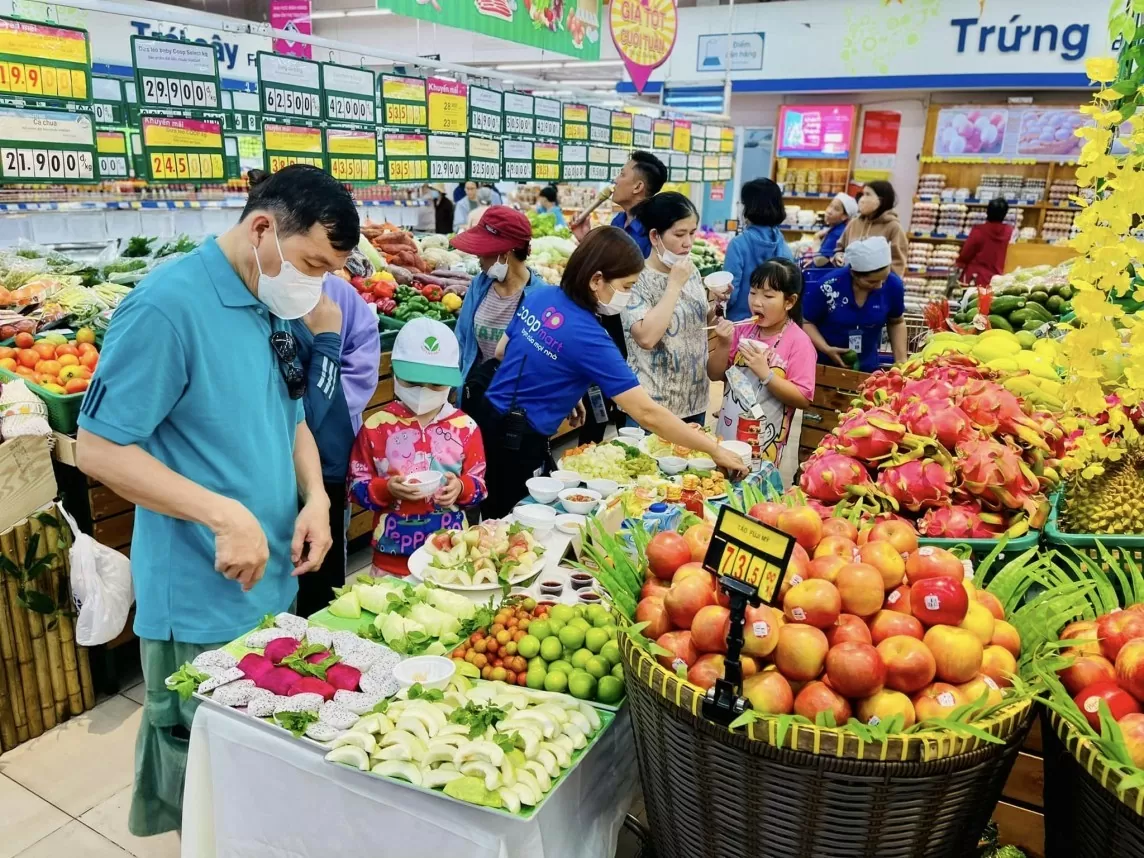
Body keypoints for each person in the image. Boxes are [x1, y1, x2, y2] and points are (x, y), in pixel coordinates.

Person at [74, 164, 357, 836]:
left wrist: (315, 497)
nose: (316, 285)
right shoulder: (166, 307)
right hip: (201, 591)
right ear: (263, 228)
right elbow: (99, 448)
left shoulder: (271, 299)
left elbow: (288, 419)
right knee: (199, 765)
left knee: (256, 761)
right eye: (313, 263)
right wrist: (223, 514)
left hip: (271, 578)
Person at [470, 226, 748, 518]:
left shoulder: (542, 295)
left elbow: (504, 351)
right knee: (513, 524)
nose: (627, 296)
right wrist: (712, 449)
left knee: (490, 511)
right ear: (596, 280)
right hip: (519, 441)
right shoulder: (590, 336)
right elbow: (647, 413)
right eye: (627, 287)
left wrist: (562, 383)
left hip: (487, 420)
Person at [348, 319, 486, 576]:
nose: (424, 391)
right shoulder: (377, 427)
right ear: (394, 372)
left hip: (450, 558)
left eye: (435, 384)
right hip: (391, 559)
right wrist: (386, 489)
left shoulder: (465, 428)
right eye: (413, 381)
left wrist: (461, 487)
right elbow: (356, 487)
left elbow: (479, 486)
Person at [291, 269, 381, 618]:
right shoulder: (261, 297)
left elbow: (362, 361)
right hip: (275, 462)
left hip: (330, 458)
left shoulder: (338, 296)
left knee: (321, 565)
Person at [573, 150, 666, 444]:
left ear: (638, 186)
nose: (615, 180)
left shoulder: (654, 231)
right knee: (594, 398)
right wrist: (586, 240)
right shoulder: (617, 220)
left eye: (622, 173)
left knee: (624, 404)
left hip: (635, 331)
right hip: (607, 321)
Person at [709, 259, 816, 466]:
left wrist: (766, 374)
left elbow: (803, 398)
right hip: (727, 432)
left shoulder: (799, 343)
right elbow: (714, 374)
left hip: (763, 442)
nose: (757, 302)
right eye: (753, 292)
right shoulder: (742, 330)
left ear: (789, 302)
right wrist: (723, 344)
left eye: (768, 296)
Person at [621, 192, 712, 425]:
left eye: (692, 233)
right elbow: (646, 338)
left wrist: (717, 307)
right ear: (655, 236)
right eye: (679, 234)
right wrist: (673, 285)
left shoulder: (689, 270)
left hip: (694, 401)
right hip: (651, 408)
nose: (688, 243)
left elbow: (698, 325)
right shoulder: (634, 278)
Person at [450, 206, 546, 404]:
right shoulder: (479, 285)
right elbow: (461, 339)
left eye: (483, 252)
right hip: (475, 392)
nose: (478, 259)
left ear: (504, 254)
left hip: (516, 404)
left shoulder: (541, 297)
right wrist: (452, 387)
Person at [803, 236, 907, 373]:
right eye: (871, 282)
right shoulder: (829, 286)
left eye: (884, 279)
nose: (879, 286)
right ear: (853, 273)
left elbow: (896, 321)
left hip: (868, 368)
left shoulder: (893, 286)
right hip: (824, 366)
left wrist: (902, 362)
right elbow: (806, 321)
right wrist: (826, 348)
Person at [724, 178, 795, 321]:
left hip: (740, 325)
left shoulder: (738, 245)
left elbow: (730, 294)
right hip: (772, 325)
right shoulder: (783, 246)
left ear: (748, 207)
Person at [836, 181, 908, 276]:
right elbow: (840, 249)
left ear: (881, 200)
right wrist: (838, 257)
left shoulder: (893, 227)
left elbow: (898, 263)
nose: (862, 199)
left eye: (868, 194)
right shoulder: (854, 223)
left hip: (878, 287)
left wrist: (883, 282)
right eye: (862, 194)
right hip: (849, 282)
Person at [956, 197, 1014, 287]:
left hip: (975, 277)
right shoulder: (1009, 231)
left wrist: (959, 263)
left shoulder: (979, 230)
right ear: (1005, 214)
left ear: (987, 212)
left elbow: (966, 252)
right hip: (996, 279)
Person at [812, 193, 857, 267]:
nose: (829, 211)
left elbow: (819, 261)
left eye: (836, 209)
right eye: (830, 205)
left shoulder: (837, 233)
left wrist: (816, 239)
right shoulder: (836, 228)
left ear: (844, 216)